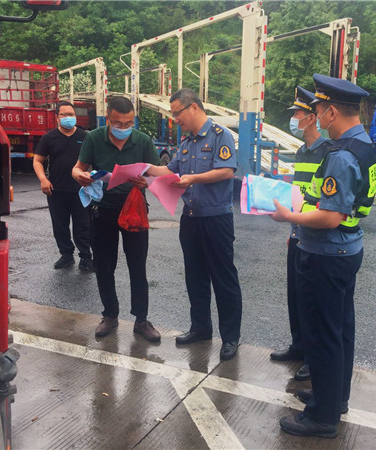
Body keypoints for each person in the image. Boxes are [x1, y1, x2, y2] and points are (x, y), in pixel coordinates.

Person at [271, 74, 376, 438]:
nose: (315, 116)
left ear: (331, 112)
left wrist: (289, 217)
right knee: (340, 331)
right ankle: (334, 398)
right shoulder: (364, 144)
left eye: (317, 110)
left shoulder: (342, 155)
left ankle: (322, 417)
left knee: (322, 336)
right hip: (346, 248)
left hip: (327, 253)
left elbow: (330, 216)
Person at [144, 88, 242, 361]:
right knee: (195, 277)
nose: (176, 119)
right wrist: (144, 170)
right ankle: (200, 328)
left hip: (216, 219)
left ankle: (230, 337)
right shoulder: (186, 143)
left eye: (178, 113)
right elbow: (170, 170)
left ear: (194, 107)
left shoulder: (220, 136)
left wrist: (193, 179)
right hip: (190, 219)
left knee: (223, 279)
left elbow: (227, 170)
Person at [71, 96, 161, 341]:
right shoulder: (93, 138)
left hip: (134, 209)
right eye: (119, 123)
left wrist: (147, 181)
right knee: (104, 266)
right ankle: (109, 315)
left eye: (129, 123)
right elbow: (78, 167)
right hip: (103, 210)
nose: (124, 128)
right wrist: (80, 176)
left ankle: (141, 320)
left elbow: (157, 175)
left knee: (137, 266)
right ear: (108, 119)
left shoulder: (142, 141)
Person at [270, 86, 331, 383]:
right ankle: (298, 346)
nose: (293, 119)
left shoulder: (328, 152)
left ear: (312, 118)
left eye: (298, 114)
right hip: (298, 232)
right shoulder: (301, 151)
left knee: (312, 300)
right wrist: (293, 228)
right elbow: (298, 194)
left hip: (314, 234)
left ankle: (313, 357)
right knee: (295, 294)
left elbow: (323, 199)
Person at [33, 100, 94, 271]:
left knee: (83, 225)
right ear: (57, 118)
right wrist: (43, 179)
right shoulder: (49, 138)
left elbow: (95, 160)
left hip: (81, 190)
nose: (68, 117)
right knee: (60, 225)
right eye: (64, 115)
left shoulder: (85, 137)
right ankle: (66, 255)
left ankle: (86, 257)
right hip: (56, 190)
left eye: (71, 114)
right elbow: (37, 161)